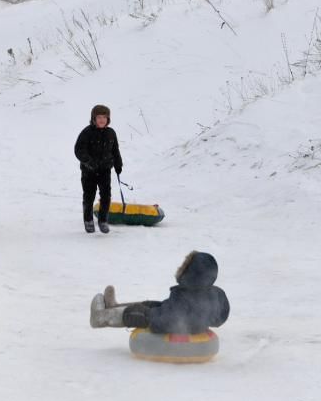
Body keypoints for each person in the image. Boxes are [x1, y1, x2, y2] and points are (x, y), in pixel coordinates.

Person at [89, 251, 230, 334]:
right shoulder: (206, 292)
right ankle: (113, 307)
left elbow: (171, 319)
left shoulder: (188, 300)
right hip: (178, 316)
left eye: (185, 266)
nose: (181, 267)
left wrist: (152, 317)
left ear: (191, 275)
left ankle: (100, 318)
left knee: (138, 312)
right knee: (150, 304)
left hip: (169, 323)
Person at [74, 104, 122, 234]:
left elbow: (115, 150)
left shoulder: (111, 133)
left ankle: (103, 220)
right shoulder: (87, 132)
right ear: (94, 118)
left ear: (108, 119)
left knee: (106, 196)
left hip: (105, 170)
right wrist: (88, 161)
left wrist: (118, 165)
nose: (102, 120)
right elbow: (78, 150)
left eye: (104, 117)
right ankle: (88, 220)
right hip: (89, 170)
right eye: (99, 117)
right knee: (89, 196)